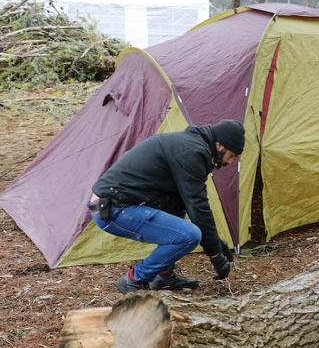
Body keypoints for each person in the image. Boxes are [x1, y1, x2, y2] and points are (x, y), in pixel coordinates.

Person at [88, 119, 245, 294]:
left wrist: (217, 243)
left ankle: (163, 276)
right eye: (231, 155)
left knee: (179, 205)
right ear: (219, 145)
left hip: (120, 202)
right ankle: (134, 280)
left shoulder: (192, 146)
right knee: (189, 236)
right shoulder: (192, 152)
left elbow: (189, 203)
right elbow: (199, 207)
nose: (230, 162)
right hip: (112, 208)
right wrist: (215, 254)